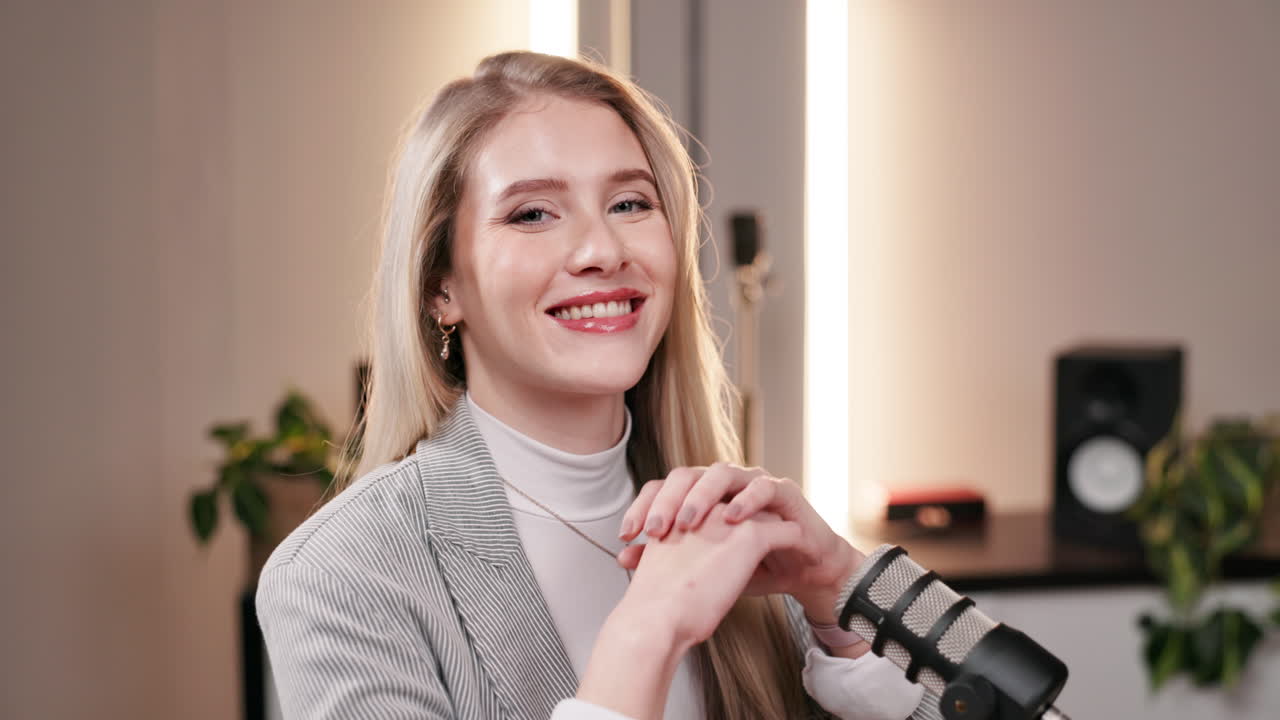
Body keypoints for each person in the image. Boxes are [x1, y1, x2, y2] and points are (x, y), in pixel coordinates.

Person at [256, 51, 925, 720]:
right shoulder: (338, 573)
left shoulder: (745, 537)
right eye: (532, 215)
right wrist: (645, 633)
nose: (603, 250)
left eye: (630, 203)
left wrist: (845, 599)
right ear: (441, 287)